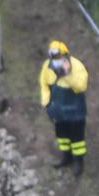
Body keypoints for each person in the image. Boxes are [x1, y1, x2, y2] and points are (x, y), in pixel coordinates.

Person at [39, 40, 88, 178]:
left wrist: (67, 75)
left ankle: (79, 162)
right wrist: (47, 104)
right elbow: (44, 85)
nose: (56, 61)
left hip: (75, 110)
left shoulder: (77, 66)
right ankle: (66, 158)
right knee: (62, 136)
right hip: (58, 110)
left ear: (66, 56)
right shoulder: (47, 67)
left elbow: (81, 87)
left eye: (59, 58)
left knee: (77, 139)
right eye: (54, 58)